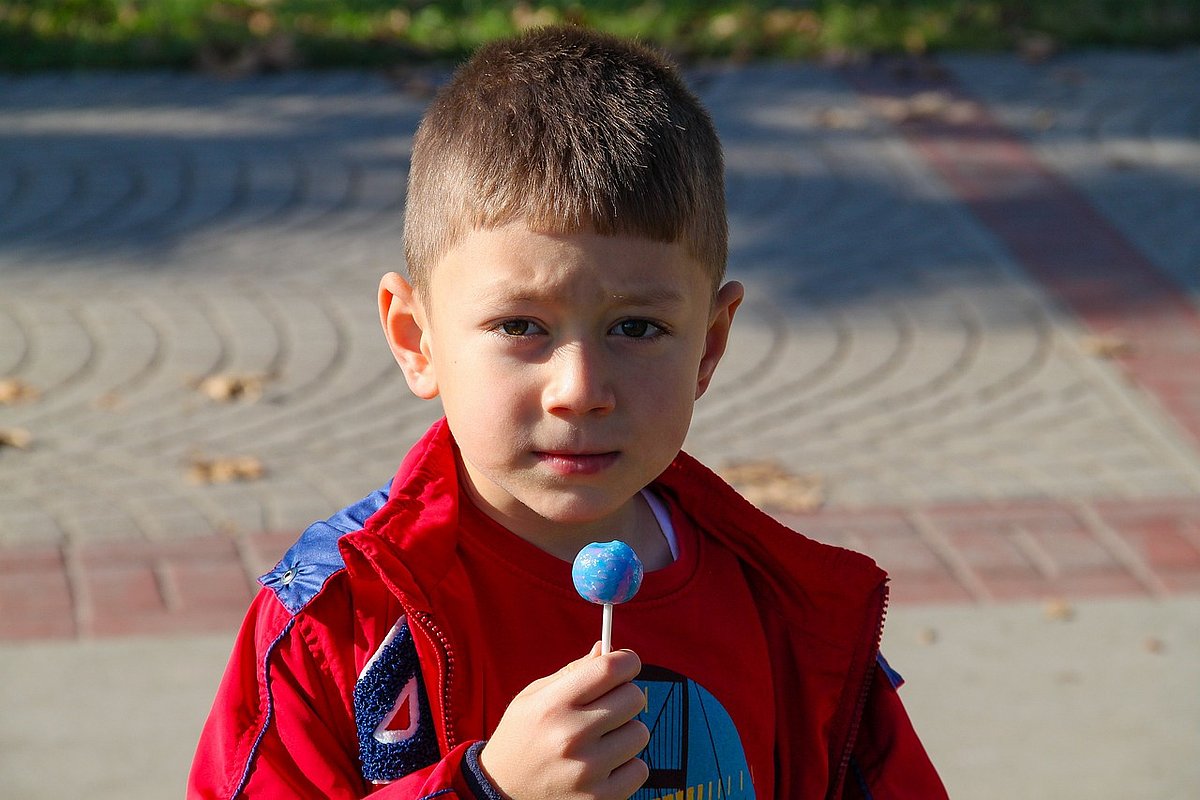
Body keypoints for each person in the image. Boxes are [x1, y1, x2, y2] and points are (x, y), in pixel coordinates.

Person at [189, 24, 947, 800]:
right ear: (415, 339)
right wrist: (487, 790)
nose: (580, 388)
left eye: (638, 328)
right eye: (522, 326)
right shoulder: (335, 623)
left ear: (710, 346)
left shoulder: (788, 613)